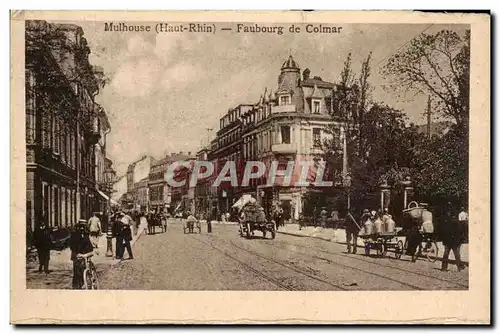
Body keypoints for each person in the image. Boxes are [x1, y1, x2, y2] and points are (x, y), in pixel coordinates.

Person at [70, 221, 95, 289]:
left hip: (84, 254)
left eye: (83, 227)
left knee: (84, 268)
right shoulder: (74, 234)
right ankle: (76, 286)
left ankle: (84, 282)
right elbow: (72, 246)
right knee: (77, 271)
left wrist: (88, 253)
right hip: (76, 254)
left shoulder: (86, 234)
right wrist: (77, 254)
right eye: (80, 227)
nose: (81, 228)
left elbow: (88, 245)